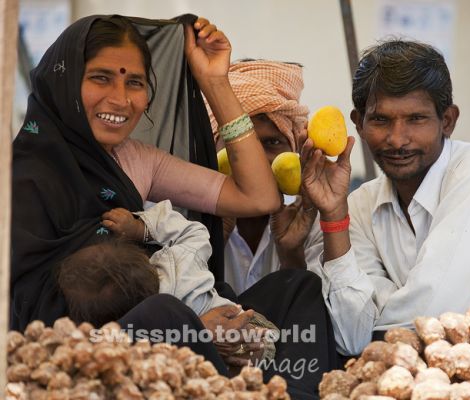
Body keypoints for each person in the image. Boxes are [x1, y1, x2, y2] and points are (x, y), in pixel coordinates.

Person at [300, 39, 470, 356]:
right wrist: (334, 217)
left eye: (416, 119)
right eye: (381, 120)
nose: (397, 140)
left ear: (447, 121)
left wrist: (372, 313)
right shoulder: (359, 206)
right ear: (359, 124)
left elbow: (431, 311)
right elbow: (351, 337)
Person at [11, 14, 279, 331]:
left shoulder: (138, 160)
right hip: (86, 348)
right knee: (163, 311)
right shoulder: (20, 175)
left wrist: (214, 82)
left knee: (295, 287)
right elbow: (30, 304)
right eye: (101, 77)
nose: (121, 99)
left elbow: (259, 198)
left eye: (135, 82)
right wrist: (192, 330)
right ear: (65, 81)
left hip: (168, 323)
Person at [57, 200, 270, 369]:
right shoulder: (179, 262)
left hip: (219, 364)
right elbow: (195, 232)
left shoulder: (146, 339)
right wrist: (141, 228)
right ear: (143, 257)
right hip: (253, 329)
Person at [208, 59, 322, 294]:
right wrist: (212, 245)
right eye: (238, 145)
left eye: (272, 143)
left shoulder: (316, 223)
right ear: (212, 148)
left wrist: (291, 255)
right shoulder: (179, 220)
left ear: (294, 151)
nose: (255, 162)